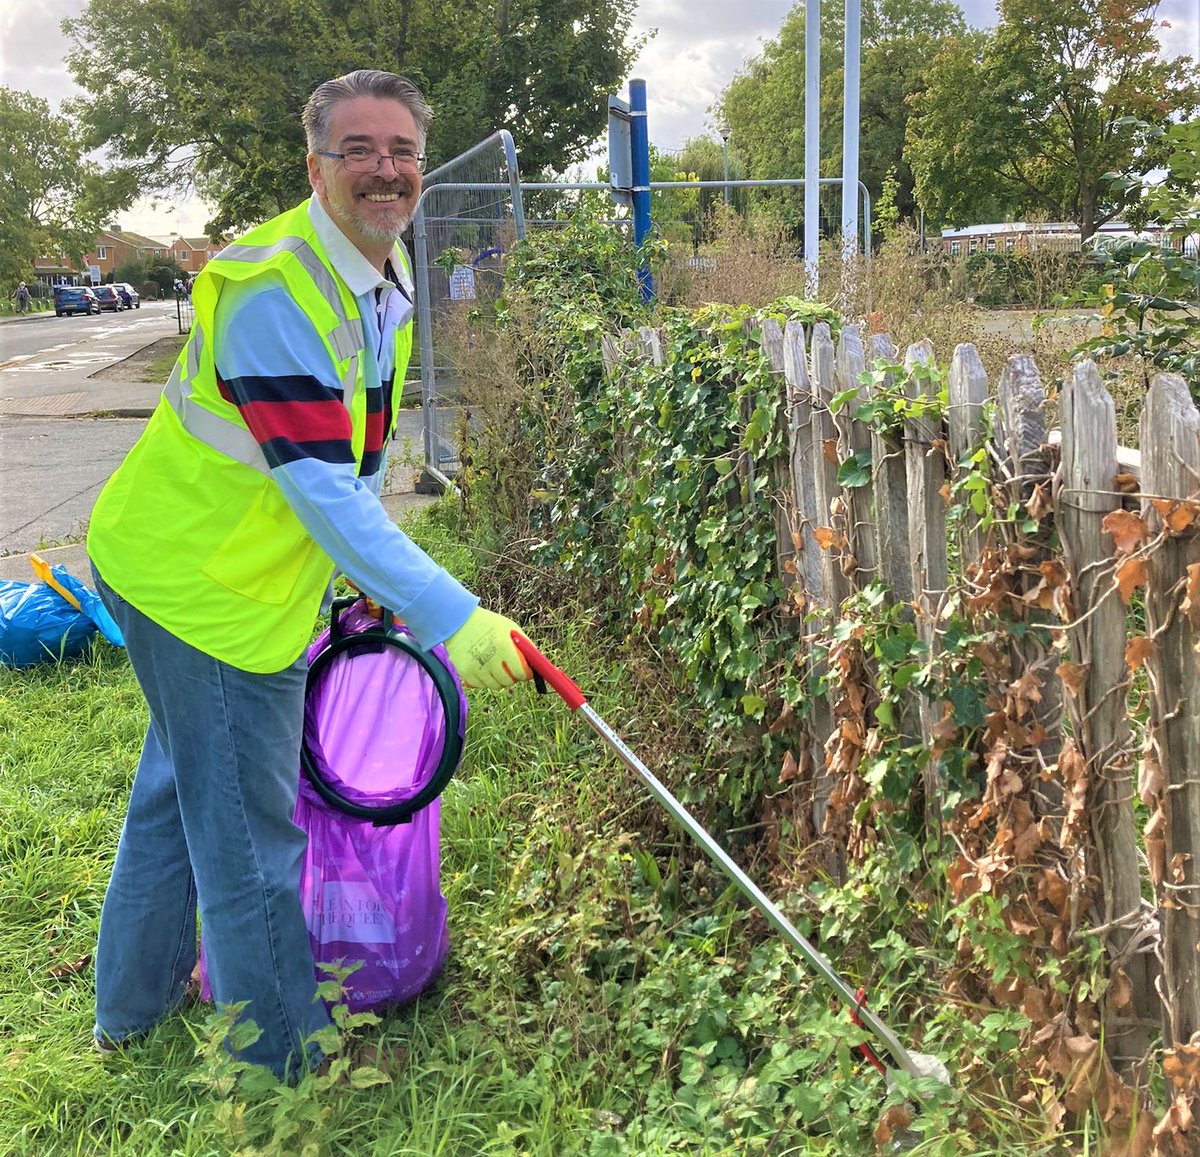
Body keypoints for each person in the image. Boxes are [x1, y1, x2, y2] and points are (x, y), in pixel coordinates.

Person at [86, 69, 535, 1081]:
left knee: (180, 790)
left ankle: (131, 1009)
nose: (385, 168)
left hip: (210, 572)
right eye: (358, 149)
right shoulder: (273, 290)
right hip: (199, 588)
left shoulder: (382, 273)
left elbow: (356, 453)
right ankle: (281, 1067)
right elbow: (321, 488)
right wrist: (451, 612)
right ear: (315, 167)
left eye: (403, 150)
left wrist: (368, 576)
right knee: (249, 840)